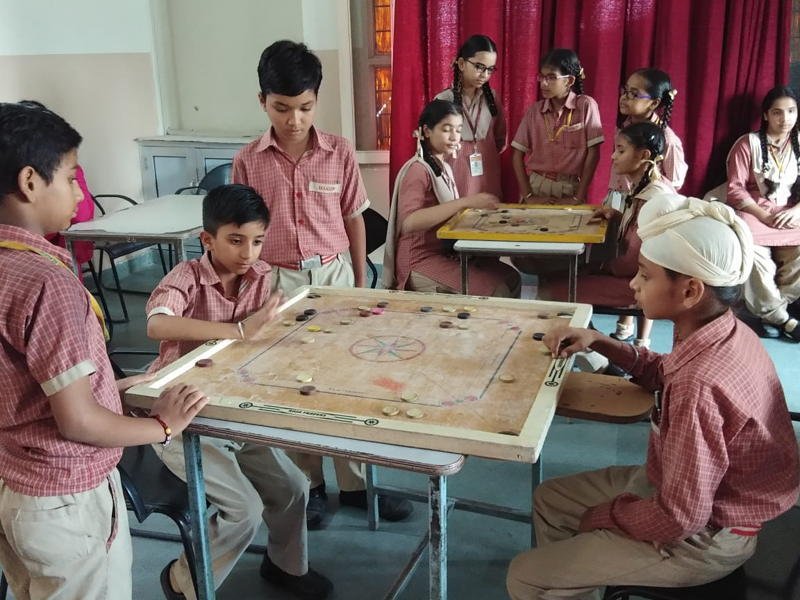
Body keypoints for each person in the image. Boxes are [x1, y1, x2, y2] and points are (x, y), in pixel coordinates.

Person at [506, 193, 800, 599]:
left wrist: (606, 517)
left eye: (645, 276)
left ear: (690, 290)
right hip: (683, 487)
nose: (633, 284)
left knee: (525, 576)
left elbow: (681, 517)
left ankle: (560, 578)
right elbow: (664, 371)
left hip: (707, 535)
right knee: (551, 499)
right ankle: (575, 581)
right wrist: (601, 342)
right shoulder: (721, 329)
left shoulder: (699, 386)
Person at [0, 101, 208, 600]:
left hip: (16, 487)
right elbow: (77, 422)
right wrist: (162, 426)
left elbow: (25, 383)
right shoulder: (47, 282)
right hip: (66, 500)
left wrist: (108, 388)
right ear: (30, 182)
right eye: (71, 177)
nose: (80, 193)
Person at [232, 39, 412, 529]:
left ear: (317, 100)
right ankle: (309, 485)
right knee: (295, 382)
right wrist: (248, 292)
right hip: (277, 280)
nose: (294, 119)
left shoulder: (338, 151)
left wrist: (359, 278)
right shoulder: (248, 160)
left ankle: (356, 486)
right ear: (263, 101)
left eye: (305, 107)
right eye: (282, 108)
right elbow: (243, 232)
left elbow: (354, 218)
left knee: (346, 378)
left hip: (333, 274)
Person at [146, 183, 332, 600]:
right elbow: (157, 324)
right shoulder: (186, 277)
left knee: (294, 487)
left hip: (230, 406)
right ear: (207, 239)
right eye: (235, 240)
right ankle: (183, 581)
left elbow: (259, 336)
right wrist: (237, 331)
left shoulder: (260, 276)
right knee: (244, 510)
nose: (248, 253)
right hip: (179, 415)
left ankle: (285, 566)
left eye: (257, 241)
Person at [541, 122, 673, 349]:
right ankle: (593, 348)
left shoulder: (654, 199)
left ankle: (596, 354)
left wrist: (596, 264)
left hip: (639, 285)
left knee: (548, 292)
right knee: (555, 276)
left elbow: (630, 263)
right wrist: (617, 217)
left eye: (621, 151)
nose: (613, 157)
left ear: (644, 156)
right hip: (633, 276)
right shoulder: (644, 190)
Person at [382, 98, 521, 297]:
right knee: (497, 291)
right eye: (447, 129)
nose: (455, 137)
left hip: (445, 253)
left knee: (511, 278)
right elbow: (409, 222)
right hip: (419, 260)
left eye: (458, 130)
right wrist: (465, 202)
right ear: (427, 131)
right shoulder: (418, 170)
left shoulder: (444, 167)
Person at [605, 69, 687, 344]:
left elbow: (675, 180)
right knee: (621, 249)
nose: (624, 98)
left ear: (654, 103)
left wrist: (645, 188)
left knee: (643, 260)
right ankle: (624, 328)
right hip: (623, 199)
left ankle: (642, 341)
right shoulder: (625, 129)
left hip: (648, 205)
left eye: (633, 94)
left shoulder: (667, 139)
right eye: (624, 91)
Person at [724, 85, 800, 341]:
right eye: (777, 112)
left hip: (788, 211)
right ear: (766, 115)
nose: (785, 118)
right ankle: (783, 320)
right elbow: (735, 189)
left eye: (791, 111)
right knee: (756, 257)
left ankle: (769, 312)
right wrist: (763, 215)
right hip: (754, 211)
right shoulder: (748, 143)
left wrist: (796, 211)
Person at [511, 48, 603, 205]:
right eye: (542, 77)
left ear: (569, 81)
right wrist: (528, 196)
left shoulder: (585, 106)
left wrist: (578, 197)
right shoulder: (535, 111)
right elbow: (517, 155)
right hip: (537, 186)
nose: (543, 83)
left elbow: (593, 154)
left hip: (570, 188)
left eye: (551, 77)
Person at [435, 34, 506, 199]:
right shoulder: (444, 100)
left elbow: (500, 138)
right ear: (461, 64)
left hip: (488, 181)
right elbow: (433, 149)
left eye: (490, 69)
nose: (485, 74)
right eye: (479, 67)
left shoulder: (492, 99)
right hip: (457, 183)